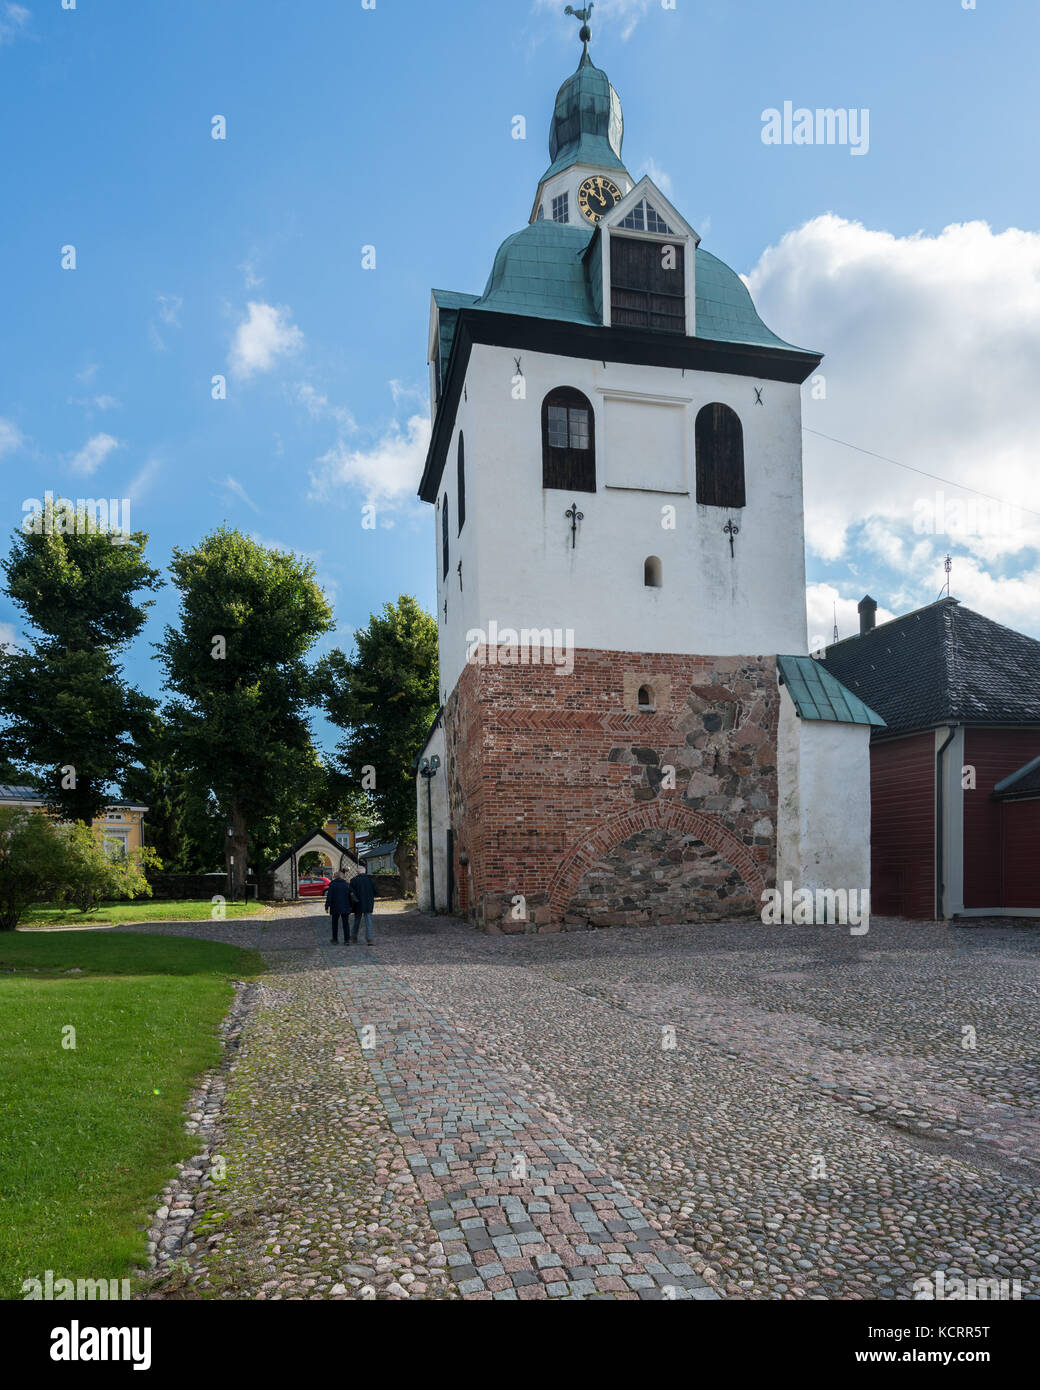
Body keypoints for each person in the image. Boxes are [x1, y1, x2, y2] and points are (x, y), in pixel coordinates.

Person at [349, 861, 377, 945]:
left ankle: (354, 937)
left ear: (357, 872)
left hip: (358, 903)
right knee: (368, 921)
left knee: (357, 920)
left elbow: (350, 892)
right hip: (368, 903)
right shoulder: (370, 880)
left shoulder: (353, 880)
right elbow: (376, 892)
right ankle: (369, 939)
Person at [323, 871, 353, 944]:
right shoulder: (347, 884)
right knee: (346, 924)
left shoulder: (332, 885)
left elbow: (329, 897)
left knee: (335, 924)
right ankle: (347, 940)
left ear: (335, 877)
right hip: (345, 906)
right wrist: (351, 906)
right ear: (342, 877)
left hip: (335, 906)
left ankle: (335, 939)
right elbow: (351, 895)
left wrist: (327, 906)